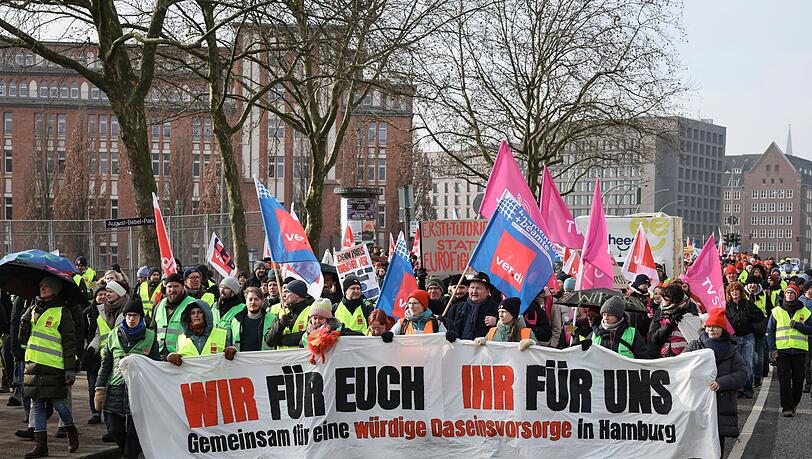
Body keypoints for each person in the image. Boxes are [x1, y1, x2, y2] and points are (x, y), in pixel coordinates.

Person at [19, 276, 79, 457]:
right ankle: (41, 446)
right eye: (41, 285)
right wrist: (23, 323)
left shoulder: (63, 311)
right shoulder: (32, 309)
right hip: (33, 365)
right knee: (37, 405)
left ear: (55, 289)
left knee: (58, 403)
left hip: (54, 365)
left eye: (47, 286)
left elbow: (69, 342)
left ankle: (71, 431)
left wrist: (70, 369)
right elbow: (23, 340)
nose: (42, 288)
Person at [94, 297, 159, 458]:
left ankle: (129, 455)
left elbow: (155, 365)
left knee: (133, 433)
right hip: (115, 388)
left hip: (139, 390)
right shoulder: (113, 336)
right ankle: (127, 453)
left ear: (141, 317)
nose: (131, 319)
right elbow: (106, 364)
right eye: (128, 315)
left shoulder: (150, 337)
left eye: (135, 315)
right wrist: (99, 388)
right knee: (114, 430)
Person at [684, 309, 747, 452]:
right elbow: (680, 366)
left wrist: (721, 383)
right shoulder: (694, 346)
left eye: (716, 327)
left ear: (722, 330)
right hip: (697, 401)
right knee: (695, 440)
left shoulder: (731, 350)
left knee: (717, 442)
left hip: (721, 402)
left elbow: (742, 374)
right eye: (709, 326)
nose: (712, 329)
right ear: (704, 328)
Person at [767, 283, 812, 416]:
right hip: (782, 350)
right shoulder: (776, 311)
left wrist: (797, 325)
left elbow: (810, 329)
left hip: (799, 350)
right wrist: (772, 349)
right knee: (784, 379)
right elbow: (770, 331)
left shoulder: (805, 312)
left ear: (796, 295)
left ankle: (794, 403)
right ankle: (786, 407)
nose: (789, 295)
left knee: (799, 379)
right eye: (787, 293)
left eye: (792, 293)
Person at [266, 299, 361, 348]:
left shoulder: (339, 328)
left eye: (321, 318)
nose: (317, 321)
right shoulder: (305, 337)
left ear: (328, 319)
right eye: (315, 318)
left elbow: (360, 336)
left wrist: (340, 334)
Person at [724, 281, 763, 399]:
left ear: (741, 292)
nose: (734, 292)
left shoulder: (747, 304)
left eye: (737, 290)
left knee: (748, 362)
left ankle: (748, 389)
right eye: (732, 290)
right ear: (729, 293)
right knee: (736, 364)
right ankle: (737, 388)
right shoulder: (726, 306)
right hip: (734, 338)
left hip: (748, 337)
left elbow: (760, 315)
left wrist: (750, 320)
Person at [150, 273, 204, 356]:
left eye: (176, 286)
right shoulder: (159, 305)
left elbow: (200, 332)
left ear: (183, 287)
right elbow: (153, 329)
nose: (172, 290)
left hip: (184, 355)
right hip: (160, 355)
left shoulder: (193, 304)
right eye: (169, 287)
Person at [167, 303, 236, 364]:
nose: (196, 315)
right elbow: (178, 361)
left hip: (216, 374)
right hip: (191, 375)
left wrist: (232, 350)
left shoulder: (221, 334)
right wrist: (172, 356)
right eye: (192, 313)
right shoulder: (181, 338)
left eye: (199, 312)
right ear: (189, 317)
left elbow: (232, 361)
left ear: (206, 315)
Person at [648, 283, 697, 358]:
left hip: (684, 357)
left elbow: (694, 340)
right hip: (663, 357)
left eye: (667, 300)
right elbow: (653, 339)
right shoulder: (659, 314)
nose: (663, 302)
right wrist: (668, 325)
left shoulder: (689, 314)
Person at [444, 273, 498, 341]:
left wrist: (497, 322)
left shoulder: (497, 309)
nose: (474, 291)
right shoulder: (456, 308)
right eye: (472, 287)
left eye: (478, 288)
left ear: (487, 291)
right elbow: (447, 328)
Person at [264, 280, 314, 349]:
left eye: (287, 292)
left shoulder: (311, 312)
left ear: (297, 295)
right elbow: (269, 341)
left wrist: (282, 340)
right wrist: (280, 325)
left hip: (300, 355)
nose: (284, 295)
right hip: (282, 356)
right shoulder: (282, 312)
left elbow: (310, 335)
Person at [81, 287, 106, 425]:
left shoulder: (111, 312)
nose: (102, 297)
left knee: (106, 387)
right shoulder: (88, 312)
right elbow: (82, 332)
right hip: (91, 355)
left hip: (106, 354)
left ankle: (107, 413)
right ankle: (95, 413)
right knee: (92, 387)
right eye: (99, 294)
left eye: (105, 294)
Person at [228, 287, 275, 352]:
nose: (253, 302)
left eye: (256, 299)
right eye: (250, 299)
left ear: (262, 301)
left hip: (264, 358)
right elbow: (230, 343)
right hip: (241, 358)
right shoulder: (236, 320)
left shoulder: (273, 319)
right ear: (246, 301)